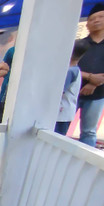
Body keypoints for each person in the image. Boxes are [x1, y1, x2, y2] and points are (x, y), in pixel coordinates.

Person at [76, 3, 104, 147]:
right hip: (72, 93)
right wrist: (89, 77)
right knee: (59, 125)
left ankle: (83, 164)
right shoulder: (79, 44)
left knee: (88, 132)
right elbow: (68, 67)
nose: (97, 20)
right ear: (87, 24)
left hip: (98, 94)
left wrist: (95, 83)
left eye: (101, 17)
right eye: (93, 18)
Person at [56, 40, 90, 135]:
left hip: (61, 114)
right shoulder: (76, 69)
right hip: (66, 112)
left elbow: (59, 92)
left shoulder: (70, 71)